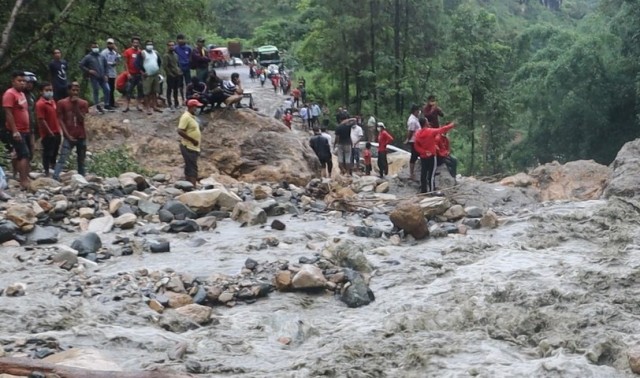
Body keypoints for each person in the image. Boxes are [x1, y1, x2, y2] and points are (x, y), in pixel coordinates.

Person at [53, 82, 89, 181]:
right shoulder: (62, 103)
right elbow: (60, 120)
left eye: (77, 90)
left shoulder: (83, 103)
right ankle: (55, 177)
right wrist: (67, 135)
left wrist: (76, 105)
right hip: (69, 135)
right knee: (62, 158)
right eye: (73, 90)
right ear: (69, 91)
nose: (75, 92)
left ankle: (82, 178)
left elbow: (82, 119)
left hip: (81, 135)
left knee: (81, 159)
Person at [2, 71, 31, 190]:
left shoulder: (22, 94)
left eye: (24, 81)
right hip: (16, 130)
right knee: (24, 154)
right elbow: (8, 113)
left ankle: (18, 175)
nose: (22, 83)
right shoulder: (10, 94)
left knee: (18, 153)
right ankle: (23, 181)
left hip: (25, 129)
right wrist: (14, 130)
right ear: (13, 81)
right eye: (20, 81)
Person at [414, 117, 455, 194]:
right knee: (431, 174)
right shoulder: (430, 131)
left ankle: (424, 190)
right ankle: (432, 191)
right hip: (432, 156)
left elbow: (416, 146)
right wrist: (451, 125)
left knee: (424, 173)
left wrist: (424, 152)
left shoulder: (417, 133)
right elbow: (442, 129)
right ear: (426, 123)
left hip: (423, 156)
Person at [36, 82, 62, 177]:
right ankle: (46, 170)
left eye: (51, 90)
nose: (49, 92)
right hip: (47, 133)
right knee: (47, 152)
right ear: (41, 92)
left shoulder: (52, 102)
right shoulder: (40, 104)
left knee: (55, 150)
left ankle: (53, 167)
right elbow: (41, 119)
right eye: (47, 90)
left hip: (56, 130)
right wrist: (49, 131)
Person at [79, 41, 110, 114]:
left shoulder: (101, 56)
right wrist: (89, 70)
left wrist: (106, 74)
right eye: (94, 47)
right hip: (94, 77)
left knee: (107, 90)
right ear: (91, 48)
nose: (95, 48)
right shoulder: (88, 57)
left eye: (96, 47)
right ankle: (97, 106)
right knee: (96, 91)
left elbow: (106, 66)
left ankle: (106, 105)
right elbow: (81, 65)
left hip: (102, 77)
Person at [178, 99, 203, 186]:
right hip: (188, 146)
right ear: (192, 107)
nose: (197, 109)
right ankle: (193, 186)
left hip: (193, 147)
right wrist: (192, 140)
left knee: (189, 165)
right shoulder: (186, 117)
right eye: (196, 107)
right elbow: (180, 131)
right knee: (192, 167)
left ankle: (188, 185)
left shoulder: (192, 117)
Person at [137, 40, 162, 115]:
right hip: (147, 75)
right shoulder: (142, 53)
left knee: (154, 91)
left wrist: (157, 69)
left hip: (155, 74)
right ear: (145, 45)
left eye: (151, 44)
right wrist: (142, 72)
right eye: (148, 44)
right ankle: (147, 107)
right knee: (146, 92)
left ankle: (154, 106)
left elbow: (159, 62)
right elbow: (137, 64)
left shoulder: (155, 52)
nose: (150, 45)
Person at [122, 36, 144, 112]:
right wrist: (127, 73)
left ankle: (138, 105)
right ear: (132, 43)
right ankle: (126, 106)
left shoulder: (141, 52)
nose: (136, 44)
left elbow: (143, 63)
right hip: (131, 74)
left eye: (137, 42)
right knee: (128, 90)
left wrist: (143, 72)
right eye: (134, 42)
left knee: (140, 90)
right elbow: (125, 63)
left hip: (139, 74)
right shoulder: (127, 51)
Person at [101, 38, 121, 109]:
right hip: (106, 73)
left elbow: (118, 59)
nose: (110, 45)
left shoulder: (114, 52)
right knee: (107, 88)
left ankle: (112, 103)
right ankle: (107, 103)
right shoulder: (104, 53)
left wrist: (117, 51)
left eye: (111, 43)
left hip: (112, 73)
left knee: (112, 88)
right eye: (109, 43)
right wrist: (111, 63)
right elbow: (103, 62)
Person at [162, 40, 182, 112]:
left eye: (172, 45)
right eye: (170, 45)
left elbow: (177, 65)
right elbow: (165, 66)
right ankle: (170, 103)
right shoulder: (166, 55)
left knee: (176, 90)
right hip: (170, 75)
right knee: (169, 89)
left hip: (177, 75)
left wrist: (179, 72)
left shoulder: (175, 55)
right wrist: (170, 74)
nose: (171, 46)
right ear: (167, 46)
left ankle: (176, 103)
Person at [405, 104, 421, 180]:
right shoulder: (412, 120)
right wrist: (408, 139)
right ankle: (411, 173)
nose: (419, 112)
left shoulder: (415, 119)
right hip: (414, 140)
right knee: (414, 156)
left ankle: (414, 172)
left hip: (417, 140)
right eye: (418, 111)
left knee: (416, 155)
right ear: (415, 111)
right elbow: (410, 131)